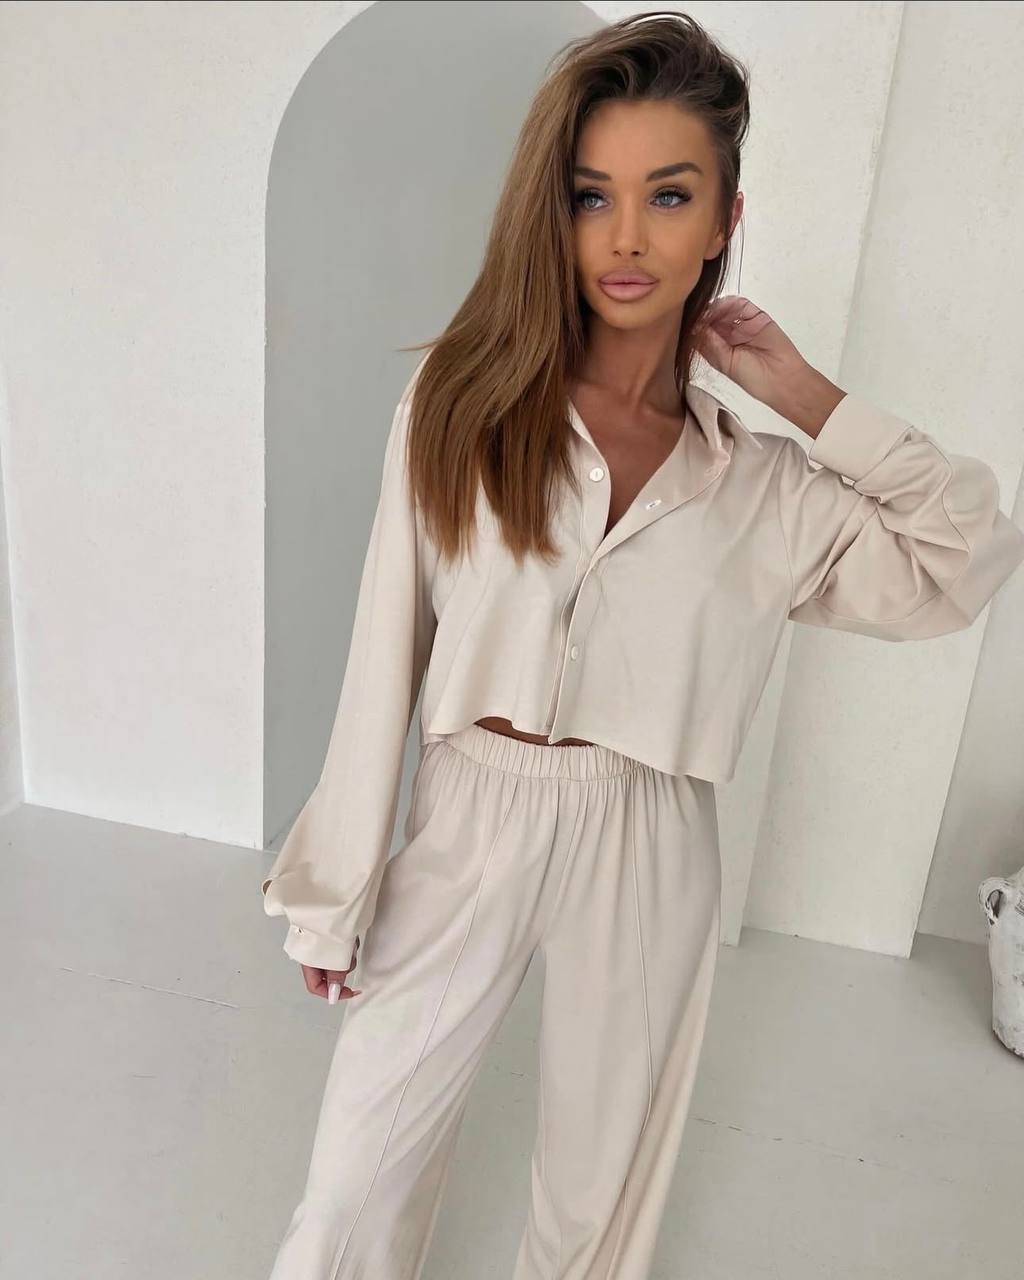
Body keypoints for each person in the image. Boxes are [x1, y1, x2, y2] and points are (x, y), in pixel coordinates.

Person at [259, 12, 1024, 1280]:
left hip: (652, 831)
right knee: (353, 1179)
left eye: (668, 196)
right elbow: (382, 651)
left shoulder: (760, 485)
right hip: (472, 812)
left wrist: (801, 395)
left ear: (724, 219)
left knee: (598, 1199)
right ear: (552, 214)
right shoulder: (460, 405)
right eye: (590, 196)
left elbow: (965, 556)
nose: (625, 238)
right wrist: (334, 889)